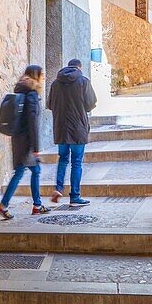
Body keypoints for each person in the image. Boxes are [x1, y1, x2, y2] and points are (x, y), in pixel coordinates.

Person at [0, 65, 50, 220]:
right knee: (21, 173)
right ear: (36, 76)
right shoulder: (31, 94)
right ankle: (5, 205)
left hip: (18, 139)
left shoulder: (21, 90)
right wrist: (36, 148)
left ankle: (37, 205)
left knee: (33, 171)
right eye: (42, 74)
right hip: (27, 141)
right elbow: (32, 122)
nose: (43, 77)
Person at [47, 58, 97, 206]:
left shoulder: (55, 84)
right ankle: (75, 195)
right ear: (79, 67)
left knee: (62, 159)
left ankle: (58, 188)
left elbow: (50, 104)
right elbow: (90, 104)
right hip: (78, 128)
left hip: (61, 128)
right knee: (76, 162)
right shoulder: (83, 81)